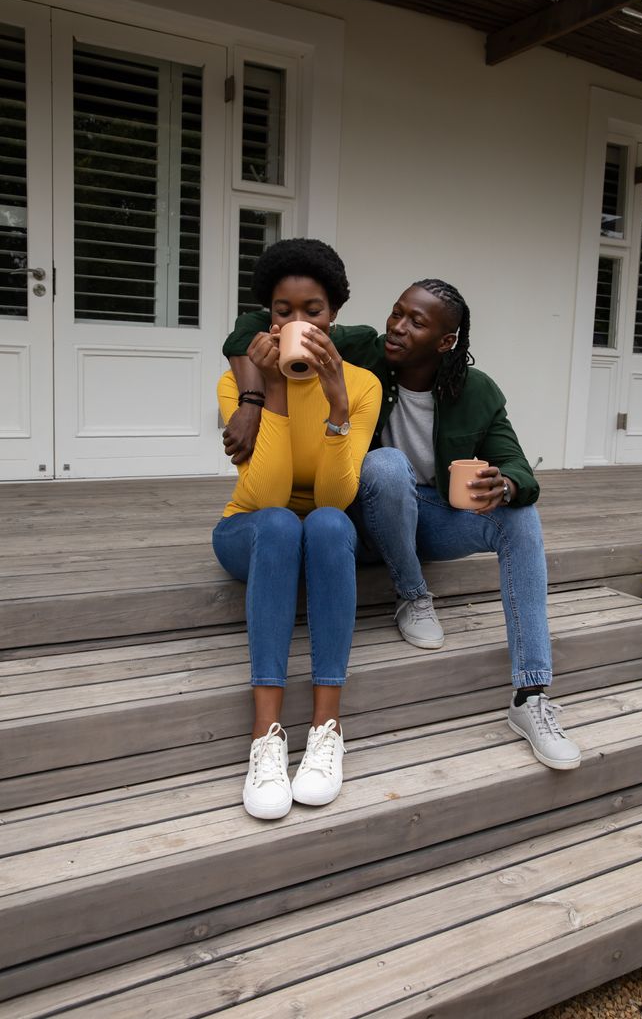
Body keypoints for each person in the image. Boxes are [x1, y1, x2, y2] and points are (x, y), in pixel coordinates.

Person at [223, 278, 581, 772]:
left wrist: (508, 486)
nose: (397, 327)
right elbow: (258, 323)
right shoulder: (366, 350)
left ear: (445, 340)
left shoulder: (477, 392)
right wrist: (249, 398)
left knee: (520, 517)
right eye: (397, 313)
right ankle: (413, 594)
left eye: (416, 322)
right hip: (356, 516)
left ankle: (532, 695)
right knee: (387, 464)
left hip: (426, 520)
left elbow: (519, 468)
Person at [213, 238, 381, 819]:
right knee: (284, 522)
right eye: (284, 311)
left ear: (333, 314)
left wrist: (336, 406)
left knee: (332, 522)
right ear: (268, 315)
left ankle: (328, 727)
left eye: (313, 310)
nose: (298, 322)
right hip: (253, 529)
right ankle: (266, 736)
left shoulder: (361, 385)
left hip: (323, 533)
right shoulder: (240, 385)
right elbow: (263, 496)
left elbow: (338, 495)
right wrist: (275, 391)